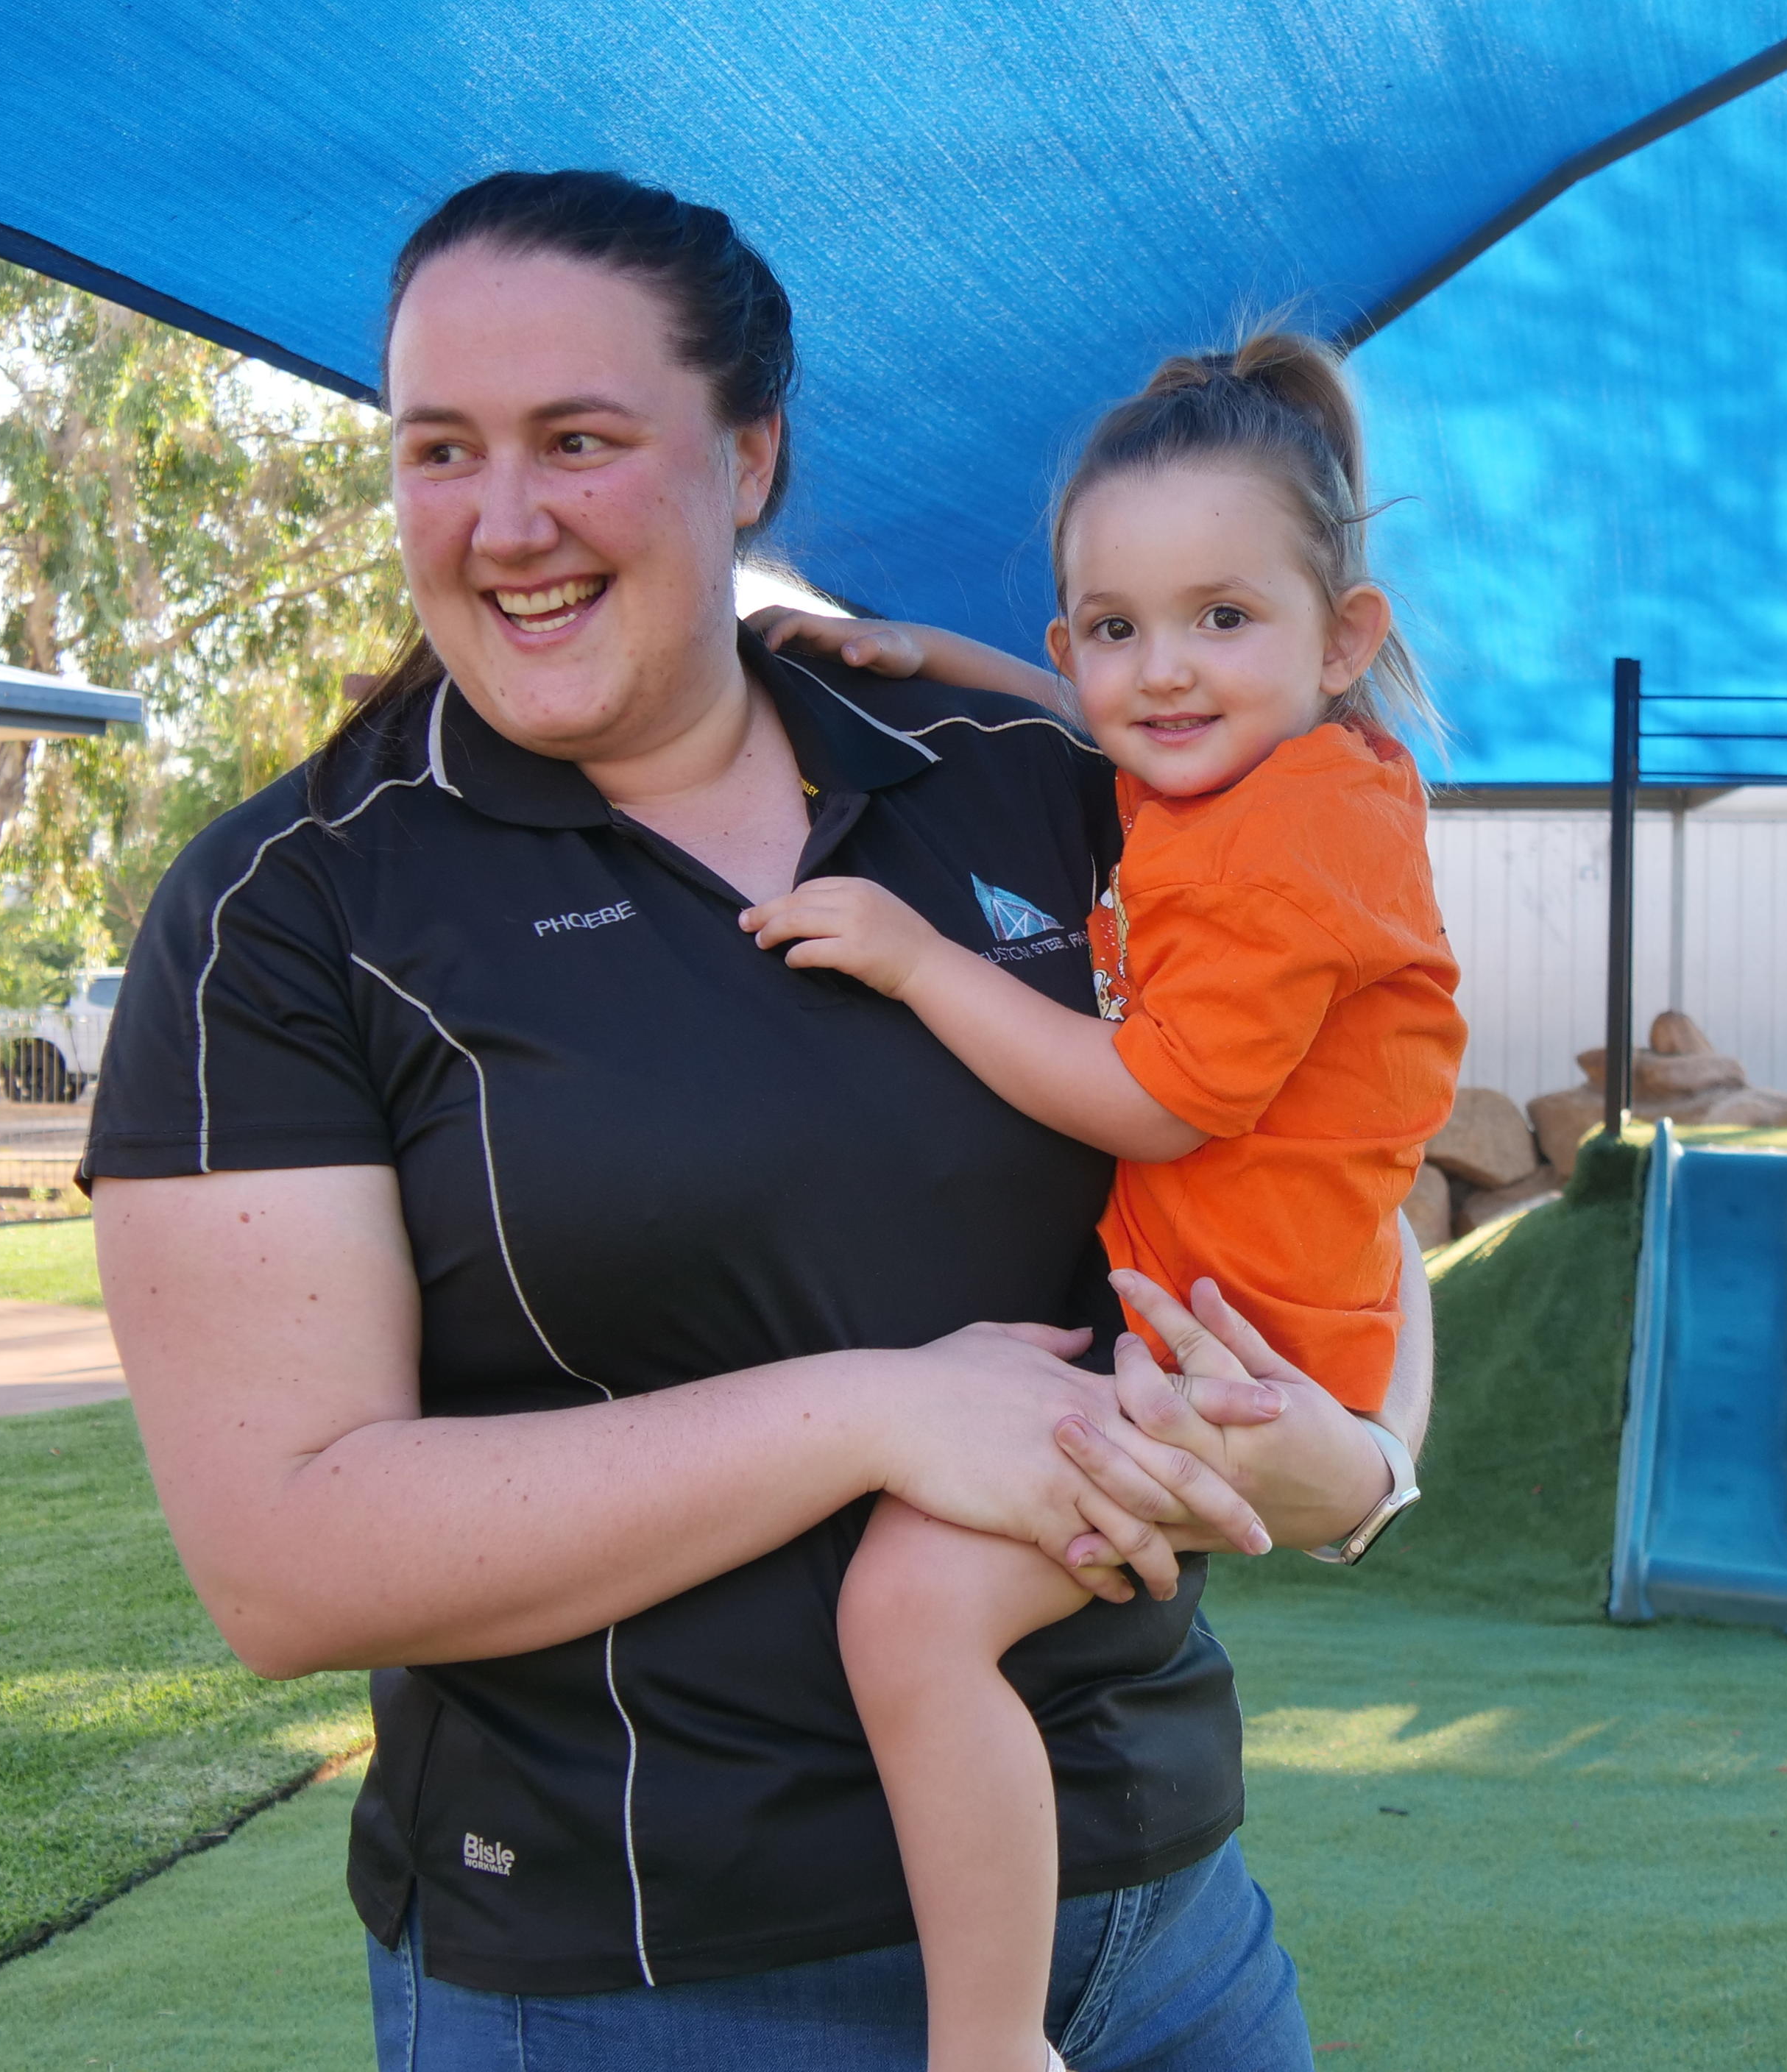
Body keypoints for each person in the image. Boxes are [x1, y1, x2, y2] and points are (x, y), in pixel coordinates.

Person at [82, 171, 1427, 2071]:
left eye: (580, 440)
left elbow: (1341, 1161)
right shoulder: (289, 919)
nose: (507, 518)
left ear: (751, 456)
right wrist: (878, 1409)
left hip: (1160, 1936)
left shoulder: (1043, 787)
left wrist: (1364, 1467)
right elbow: (288, 1558)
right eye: (441, 449)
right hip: (658, 1989)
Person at [743, 335, 1463, 2072]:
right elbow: (1129, 721)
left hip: (1235, 1351)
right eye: (1113, 626)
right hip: (1241, 1303)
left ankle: (989, 2040)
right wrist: (943, 660)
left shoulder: (1290, 852)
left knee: (907, 1618)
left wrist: (921, 963)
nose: (1163, 671)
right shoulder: (1278, 766)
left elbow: (1150, 1093)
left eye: (1223, 618)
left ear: (1342, 638)